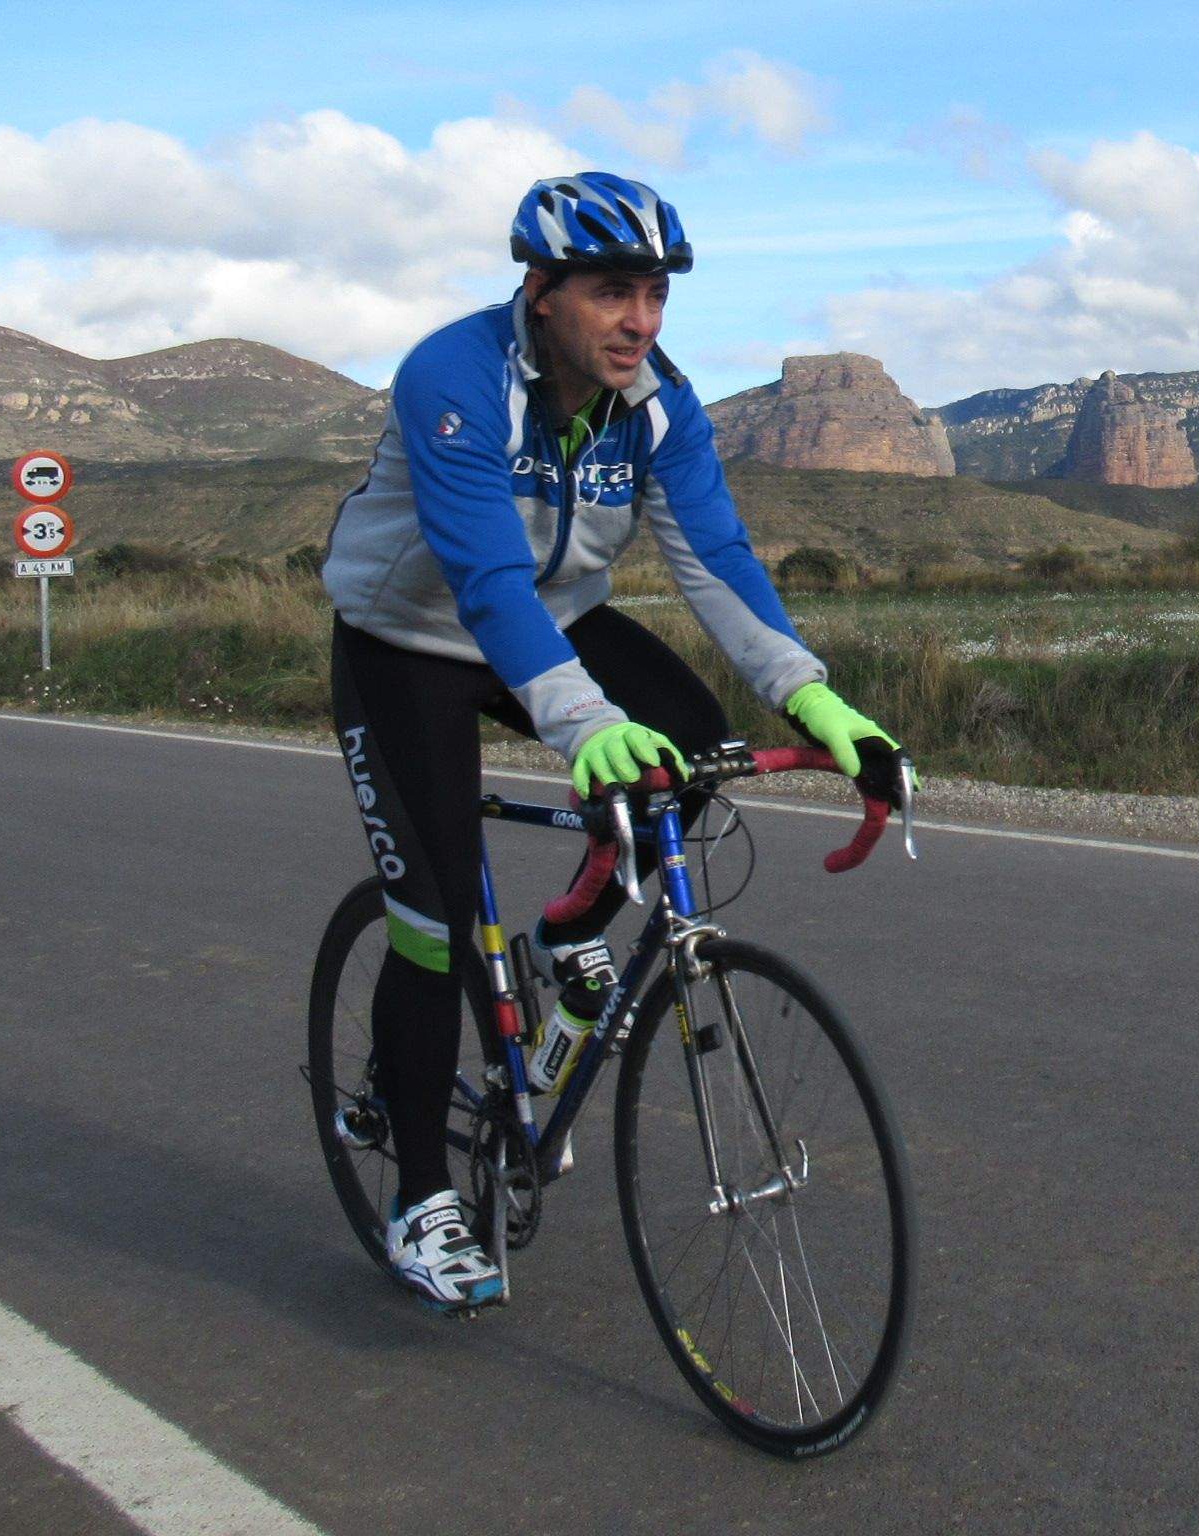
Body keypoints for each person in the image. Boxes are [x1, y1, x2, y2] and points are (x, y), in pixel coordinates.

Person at [320, 172, 902, 1312]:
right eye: (610, 292)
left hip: (560, 620)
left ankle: (568, 940)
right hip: (410, 640)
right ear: (540, 291)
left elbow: (718, 562)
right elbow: (485, 577)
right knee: (434, 924)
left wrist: (822, 705)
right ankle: (423, 1202)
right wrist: (583, 721)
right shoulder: (453, 376)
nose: (638, 318)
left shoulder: (660, 407)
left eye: (652, 293)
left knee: (688, 750)